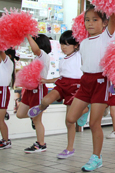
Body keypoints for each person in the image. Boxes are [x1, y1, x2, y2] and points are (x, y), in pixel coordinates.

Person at [64, 6, 115, 171]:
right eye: (87, 20)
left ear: (104, 23)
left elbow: (114, 18)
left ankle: (96, 157)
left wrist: (113, 3)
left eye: (95, 20)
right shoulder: (83, 42)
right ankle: (88, 108)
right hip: (85, 81)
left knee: (94, 124)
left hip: (101, 81)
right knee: (71, 118)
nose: (90, 23)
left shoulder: (107, 37)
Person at [27, 30, 83, 159]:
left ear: (76, 45)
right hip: (62, 84)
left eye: (67, 44)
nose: (64, 47)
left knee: (69, 121)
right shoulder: (62, 60)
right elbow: (61, 77)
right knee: (46, 100)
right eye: (62, 44)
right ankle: (39, 109)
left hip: (75, 86)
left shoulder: (80, 55)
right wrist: (47, 81)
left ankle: (69, 148)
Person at [16, 34, 51, 153]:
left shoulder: (43, 56)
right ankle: (33, 115)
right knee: (20, 114)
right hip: (30, 90)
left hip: (39, 89)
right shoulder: (37, 58)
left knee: (37, 120)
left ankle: (41, 144)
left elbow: (35, 49)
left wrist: (27, 35)